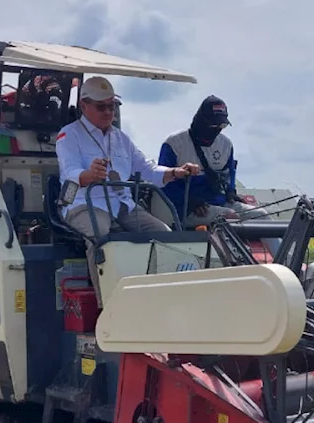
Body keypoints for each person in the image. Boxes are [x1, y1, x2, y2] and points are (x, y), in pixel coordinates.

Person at [54, 75, 201, 302]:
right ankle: (110, 307)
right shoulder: (68, 135)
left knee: (165, 235)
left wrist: (176, 172)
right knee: (101, 239)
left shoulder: (121, 138)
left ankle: (166, 300)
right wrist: (89, 175)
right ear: (84, 105)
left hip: (121, 203)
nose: (108, 112)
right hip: (85, 203)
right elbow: (70, 172)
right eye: (101, 106)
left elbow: (147, 168)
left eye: (112, 106)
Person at [160, 96, 281, 255]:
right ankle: (238, 264)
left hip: (221, 204)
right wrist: (191, 203)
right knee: (229, 216)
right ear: (201, 121)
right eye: (213, 125)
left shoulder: (226, 145)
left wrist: (231, 193)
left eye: (222, 125)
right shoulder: (175, 143)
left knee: (262, 215)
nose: (217, 129)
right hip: (185, 210)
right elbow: (164, 184)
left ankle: (286, 263)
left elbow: (228, 179)